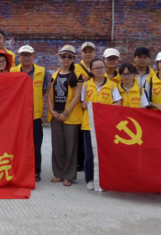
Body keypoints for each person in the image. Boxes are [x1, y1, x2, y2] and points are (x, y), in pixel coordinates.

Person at [81, 58, 122, 190]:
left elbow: (118, 103)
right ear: (91, 70)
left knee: (104, 154)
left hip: (106, 125)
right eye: (96, 68)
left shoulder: (112, 85)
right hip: (88, 124)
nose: (99, 70)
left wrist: (104, 108)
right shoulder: (86, 85)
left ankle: (104, 179)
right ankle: (90, 179)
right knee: (90, 154)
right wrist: (86, 105)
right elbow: (82, 104)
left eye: (102, 67)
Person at [47, 45, 83, 186]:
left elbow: (77, 96)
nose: (66, 59)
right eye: (63, 56)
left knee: (70, 147)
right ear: (59, 57)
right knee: (57, 146)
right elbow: (50, 95)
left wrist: (66, 113)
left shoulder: (77, 76)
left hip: (70, 115)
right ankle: (58, 174)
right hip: (56, 113)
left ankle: (68, 176)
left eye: (69, 57)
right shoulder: (54, 75)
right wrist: (52, 110)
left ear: (73, 59)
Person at [11, 45, 47, 181]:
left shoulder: (41, 71)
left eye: (28, 55)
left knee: (36, 144)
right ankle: (18, 169)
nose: (26, 57)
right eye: (23, 55)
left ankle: (36, 171)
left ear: (33, 56)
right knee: (18, 144)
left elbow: (43, 91)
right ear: (19, 57)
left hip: (34, 115)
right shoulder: (13, 71)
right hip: (18, 115)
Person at [74, 42, 96, 171]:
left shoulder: (98, 66)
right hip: (79, 105)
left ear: (94, 53)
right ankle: (80, 161)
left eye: (90, 51)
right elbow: (72, 82)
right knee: (79, 134)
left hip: (93, 104)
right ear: (81, 53)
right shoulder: (76, 68)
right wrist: (84, 80)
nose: (88, 54)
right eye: (85, 51)